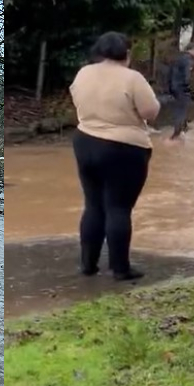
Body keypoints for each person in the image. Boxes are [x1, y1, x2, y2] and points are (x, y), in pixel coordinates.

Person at [68, 32, 161, 281]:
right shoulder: (133, 79)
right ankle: (120, 268)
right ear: (127, 54)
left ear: (99, 51)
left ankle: (88, 265)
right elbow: (150, 112)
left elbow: (76, 99)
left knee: (93, 205)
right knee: (118, 208)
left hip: (85, 141)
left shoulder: (84, 73)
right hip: (124, 148)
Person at [167, 41, 194, 141]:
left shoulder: (179, 58)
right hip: (181, 88)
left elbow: (170, 73)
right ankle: (175, 135)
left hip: (174, 87)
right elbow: (187, 78)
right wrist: (191, 90)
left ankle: (184, 129)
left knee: (181, 110)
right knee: (181, 111)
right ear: (192, 50)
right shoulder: (187, 60)